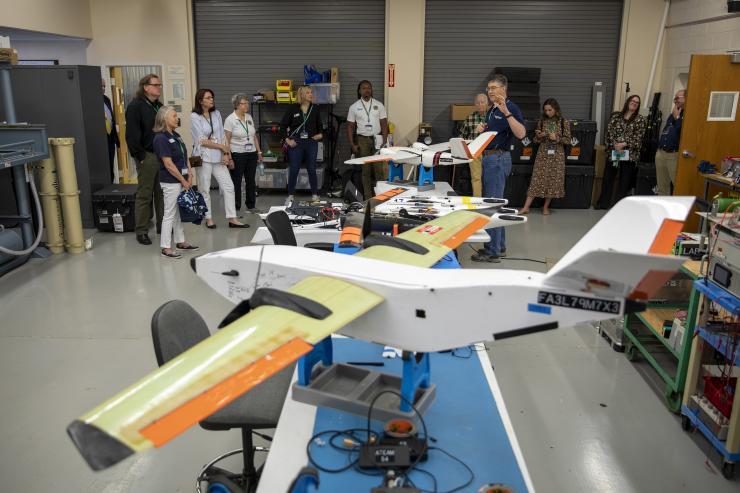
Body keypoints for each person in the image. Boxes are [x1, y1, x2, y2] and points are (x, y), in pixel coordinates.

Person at [471, 75, 526, 263]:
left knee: (492, 206)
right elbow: (495, 132)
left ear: (504, 89)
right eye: (488, 88)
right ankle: (499, 246)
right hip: (489, 158)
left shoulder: (510, 107)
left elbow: (521, 133)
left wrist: (507, 113)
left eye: (494, 87)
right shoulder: (492, 108)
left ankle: (492, 250)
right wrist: (483, 129)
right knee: (496, 204)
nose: (490, 91)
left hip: (498, 159)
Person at [190, 89, 247, 229]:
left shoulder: (216, 113)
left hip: (218, 156)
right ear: (200, 101)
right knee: (205, 189)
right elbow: (201, 140)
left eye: (212, 97)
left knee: (229, 186)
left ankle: (232, 218)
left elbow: (222, 135)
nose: (211, 100)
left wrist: (226, 154)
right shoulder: (194, 116)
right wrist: (221, 147)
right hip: (202, 156)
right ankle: (208, 218)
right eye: (208, 98)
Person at [152, 106, 198, 259]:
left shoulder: (176, 135)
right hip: (171, 181)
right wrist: (182, 180)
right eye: (173, 116)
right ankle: (165, 247)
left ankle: (180, 241)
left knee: (177, 212)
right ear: (164, 119)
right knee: (169, 214)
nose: (177, 118)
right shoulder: (160, 138)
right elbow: (168, 164)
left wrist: (190, 175)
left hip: (182, 179)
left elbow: (185, 157)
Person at [125, 73, 164, 245]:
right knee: (145, 194)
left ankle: (163, 226)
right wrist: (139, 156)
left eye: (160, 85)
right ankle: (141, 230)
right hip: (146, 155)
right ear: (146, 87)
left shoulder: (158, 106)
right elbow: (131, 135)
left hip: (162, 154)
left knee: (161, 193)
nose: (159, 88)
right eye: (156, 85)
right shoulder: (136, 106)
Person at [520, 99, 571, 215]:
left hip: (557, 156)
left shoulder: (564, 122)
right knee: (536, 179)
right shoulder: (542, 121)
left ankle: (545, 207)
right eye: (545, 110)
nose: (547, 112)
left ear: (556, 109)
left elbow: (568, 140)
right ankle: (526, 207)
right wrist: (540, 136)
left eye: (550, 110)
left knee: (553, 181)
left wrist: (556, 138)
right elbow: (535, 140)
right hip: (543, 154)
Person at [596, 95, 647, 209]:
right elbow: (608, 133)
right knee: (608, 178)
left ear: (638, 106)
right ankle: (603, 203)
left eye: (637, 102)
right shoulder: (616, 117)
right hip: (615, 153)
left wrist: (624, 144)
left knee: (624, 182)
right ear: (628, 102)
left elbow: (639, 139)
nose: (634, 103)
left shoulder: (640, 120)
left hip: (629, 155)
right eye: (632, 101)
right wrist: (615, 145)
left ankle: (618, 206)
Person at [281, 86, 324, 204]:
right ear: (302, 95)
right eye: (308, 93)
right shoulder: (292, 108)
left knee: (312, 168)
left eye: (311, 92)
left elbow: (320, 125)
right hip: (296, 142)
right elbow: (283, 126)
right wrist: (287, 140)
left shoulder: (315, 108)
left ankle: (315, 195)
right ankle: (290, 195)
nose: (311, 95)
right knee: (294, 169)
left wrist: (320, 134)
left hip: (311, 142)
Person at [346, 80, 388, 200]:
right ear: (359, 91)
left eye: (369, 88)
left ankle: (381, 197)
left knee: (379, 169)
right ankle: (368, 198)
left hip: (377, 139)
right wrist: (352, 144)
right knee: (365, 171)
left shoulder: (379, 105)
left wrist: (384, 141)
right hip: (362, 140)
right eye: (364, 88)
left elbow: (384, 124)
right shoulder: (354, 107)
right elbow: (349, 126)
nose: (367, 90)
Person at [224, 93, 262, 213]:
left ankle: (251, 205)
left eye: (247, 103)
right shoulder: (230, 120)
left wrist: (259, 152)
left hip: (251, 154)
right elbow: (227, 141)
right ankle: (235, 207)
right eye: (243, 103)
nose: (246, 105)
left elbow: (254, 136)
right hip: (237, 154)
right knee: (237, 181)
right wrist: (229, 158)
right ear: (236, 105)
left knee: (251, 180)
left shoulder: (249, 117)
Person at [655, 89, 686, 196]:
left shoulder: (688, 115)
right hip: (661, 153)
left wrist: (677, 117)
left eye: (677, 98)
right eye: (675, 98)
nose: (675, 101)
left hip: (674, 155)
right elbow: (668, 128)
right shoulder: (675, 111)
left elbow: (682, 130)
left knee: (678, 185)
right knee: (662, 186)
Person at [459, 93, 489, 197]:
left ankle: (488, 200)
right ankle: (478, 202)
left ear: (487, 103)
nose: (480, 104)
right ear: (475, 104)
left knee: (489, 178)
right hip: (474, 152)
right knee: (476, 178)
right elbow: (462, 136)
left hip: (490, 152)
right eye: (478, 102)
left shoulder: (492, 117)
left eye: (482, 102)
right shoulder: (469, 118)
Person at [102, 78, 119, 184]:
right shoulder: (89, 101)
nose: (103, 88)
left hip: (110, 139)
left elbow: (111, 118)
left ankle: (111, 186)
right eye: (101, 86)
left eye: (104, 86)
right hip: (100, 140)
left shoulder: (106, 99)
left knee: (110, 167)